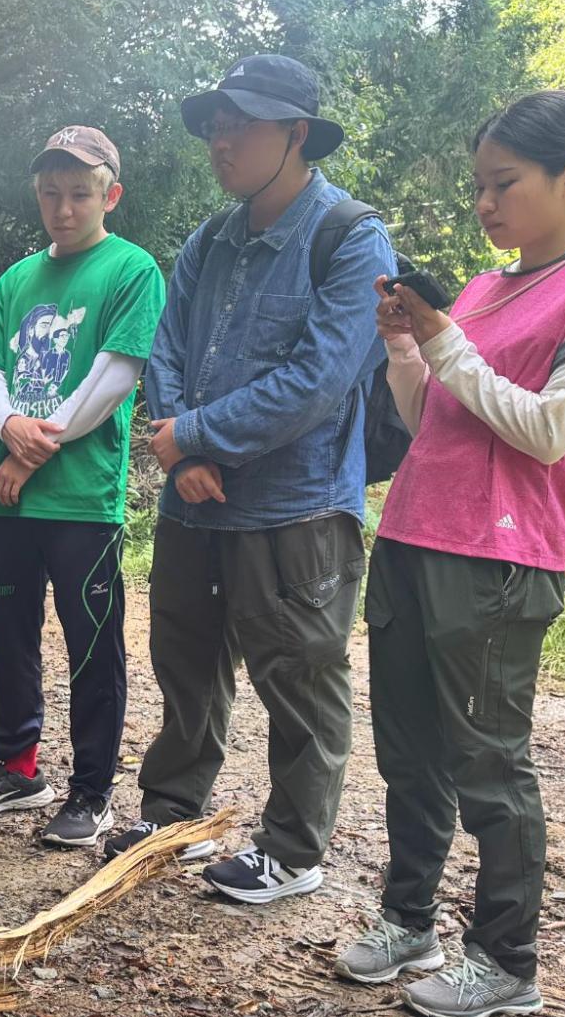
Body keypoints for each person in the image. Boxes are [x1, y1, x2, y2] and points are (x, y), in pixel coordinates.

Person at [334, 90, 565, 1017]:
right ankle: (408, 921)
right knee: (408, 754)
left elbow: (548, 430)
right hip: (412, 535)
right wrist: (407, 348)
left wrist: (444, 340)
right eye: (477, 186)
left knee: (487, 761)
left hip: (498, 557)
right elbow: (428, 422)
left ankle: (506, 958)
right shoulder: (480, 287)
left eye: (502, 183)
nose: (484, 204)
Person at [105, 55, 394, 906]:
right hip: (194, 501)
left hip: (294, 508)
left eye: (239, 126)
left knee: (299, 680)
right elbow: (166, 349)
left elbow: (319, 380)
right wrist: (183, 452)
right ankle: (174, 813)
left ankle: (292, 851)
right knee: (185, 665)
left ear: (296, 134)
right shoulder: (210, 239)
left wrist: (194, 436)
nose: (220, 143)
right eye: (213, 127)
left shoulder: (349, 238)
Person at [0, 127, 167, 848]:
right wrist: (8, 424)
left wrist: (31, 451)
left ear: (110, 195)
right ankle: (17, 770)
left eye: (78, 194)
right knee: (9, 637)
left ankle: (92, 792)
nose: (63, 208)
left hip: (81, 500)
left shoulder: (132, 270)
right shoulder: (16, 280)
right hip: (5, 499)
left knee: (92, 647)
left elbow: (114, 376)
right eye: (50, 193)